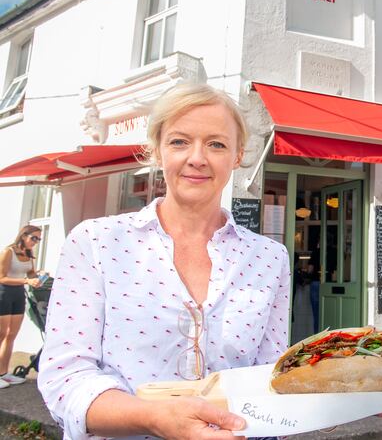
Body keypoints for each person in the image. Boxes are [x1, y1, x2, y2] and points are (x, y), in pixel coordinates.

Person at [38, 84, 291, 439]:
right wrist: (153, 418)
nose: (198, 158)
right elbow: (65, 378)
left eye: (216, 144)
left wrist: (353, 392)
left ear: (237, 156)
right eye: (179, 141)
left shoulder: (269, 258)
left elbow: (268, 379)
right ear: (156, 150)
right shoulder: (96, 242)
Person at [0, 225, 44, 388]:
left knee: (11, 334)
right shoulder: (8, 252)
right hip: (4, 293)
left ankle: (3, 373)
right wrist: (27, 281)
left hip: (18, 294)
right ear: (23, 235)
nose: (36, 242)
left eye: (39, 239)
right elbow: (2, 278)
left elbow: (30, 275)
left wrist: (38, 275)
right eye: (33, 238)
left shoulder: (29, 254)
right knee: (1, 333)